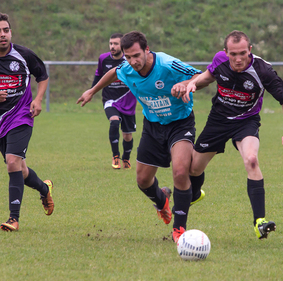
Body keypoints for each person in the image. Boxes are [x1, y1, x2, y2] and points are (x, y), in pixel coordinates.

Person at [77, 31, 204, 242]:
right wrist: (93, 90)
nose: (133, 61)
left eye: (136, 55)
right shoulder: (127, 67)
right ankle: (161, 201)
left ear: (147, 50)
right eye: (128, 56)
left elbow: (201, 75)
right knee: (143, 180)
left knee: (180, 171)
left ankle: (179, 229)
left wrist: (186, 84)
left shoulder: (166, 64)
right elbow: (114, 73)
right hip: (152, 126)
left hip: (180, 123)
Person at [181, 30, 283, 240]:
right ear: (225, 52)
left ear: (250, 50)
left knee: (252, 160)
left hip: (246, 122)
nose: (238, 59)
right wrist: (193, 83)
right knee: (194, 168)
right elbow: (209, 76)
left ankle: (259, 222)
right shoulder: (219, 60)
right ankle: (195, 194)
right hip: (218, 120)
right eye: (233, 54)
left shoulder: (263, 71)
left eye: (242, 53)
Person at [0, 12, 54, 232]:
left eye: (6, 30)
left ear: (10, 31)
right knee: (20, 168)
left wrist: (38, 99)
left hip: (22, 115)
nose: (2, 35)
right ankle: (44, 188)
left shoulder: (23, 54)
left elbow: (42, 76)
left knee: (12, 162)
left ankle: (13, 218)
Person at [91, 33, 137, 169]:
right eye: (111, 43)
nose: (112, 46)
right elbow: (99, 76)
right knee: (114, 121)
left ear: (122, 46)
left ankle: (126, 158)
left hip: (128, 102)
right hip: (110, 99)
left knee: (127, 135)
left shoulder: (129, 60)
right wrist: (91, 92)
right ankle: (115, 155)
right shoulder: (103, 59)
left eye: (116, 44)